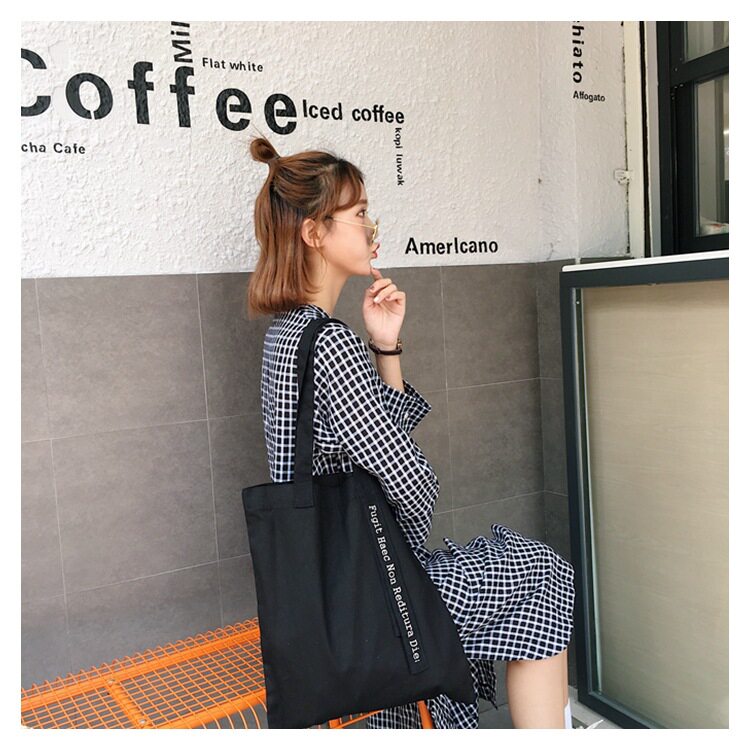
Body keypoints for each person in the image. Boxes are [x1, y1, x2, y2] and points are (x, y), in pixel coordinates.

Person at [245, 133, 576, 729]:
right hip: (375, 596)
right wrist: (414, 519)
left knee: (523, 574)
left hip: (328, 592)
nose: (372, 228)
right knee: (543, 573)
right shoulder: (329, 343)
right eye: (359, 214)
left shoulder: (286, 336)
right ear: (314, 233)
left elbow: (371, 440)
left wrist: (386, 346)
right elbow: (412, 485)